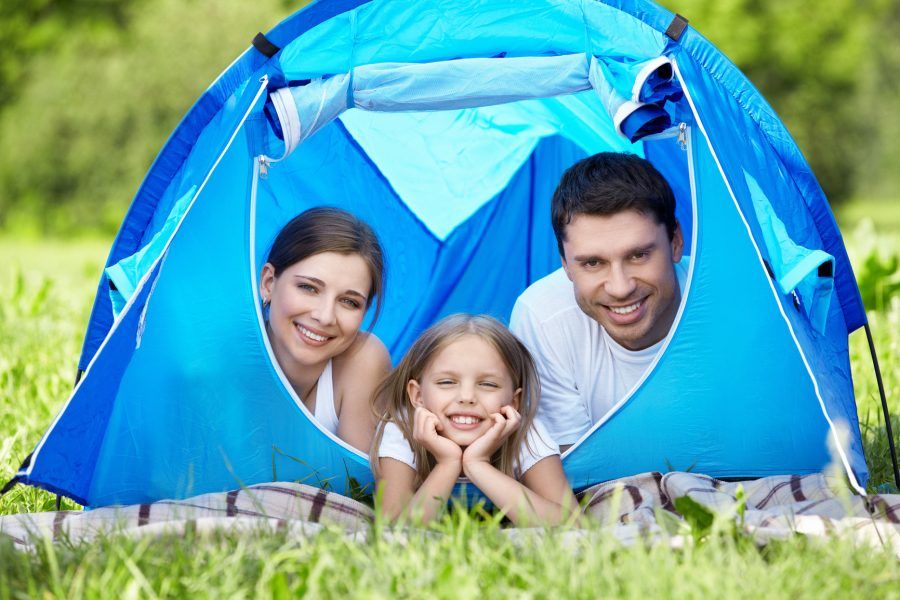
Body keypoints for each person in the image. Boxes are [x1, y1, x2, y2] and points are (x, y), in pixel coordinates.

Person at [510, 152, 688, 452]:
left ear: (675, 241)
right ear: (565, 263)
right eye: (593, 263)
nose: (620, 288)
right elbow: (576, 472)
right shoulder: (542, 316)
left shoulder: (734, 296)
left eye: (638, 255)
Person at [371, 314, 578, 525]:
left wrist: (478, 464)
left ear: (514, 401)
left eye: (488, 384)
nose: (467, 397)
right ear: (417, 396)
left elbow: (572, 525)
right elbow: (394, 531)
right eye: (447, 382)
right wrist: (447, 463)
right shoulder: (402, 429)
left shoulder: (526, 432)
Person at [259, 207, 391, 453]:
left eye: (349, 302)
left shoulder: (363, 359)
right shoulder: (224, 346)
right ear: (268, 283)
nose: (325, 316)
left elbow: (357, 487)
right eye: (309, 288)